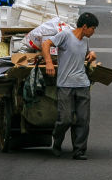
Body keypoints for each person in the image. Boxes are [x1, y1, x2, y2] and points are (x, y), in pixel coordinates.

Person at [42, 11, 99, 159]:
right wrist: (48, 62)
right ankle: (57, 141)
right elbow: (46, 43)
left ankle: (79, 151)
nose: (93, 32)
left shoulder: (85, 41)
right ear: (85, 26)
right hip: (65, 84)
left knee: (83, 120)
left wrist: (92, 56)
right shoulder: (66, 35)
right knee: (65, 119)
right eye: (93, 28)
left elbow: (86, 57)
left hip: (82, 84)